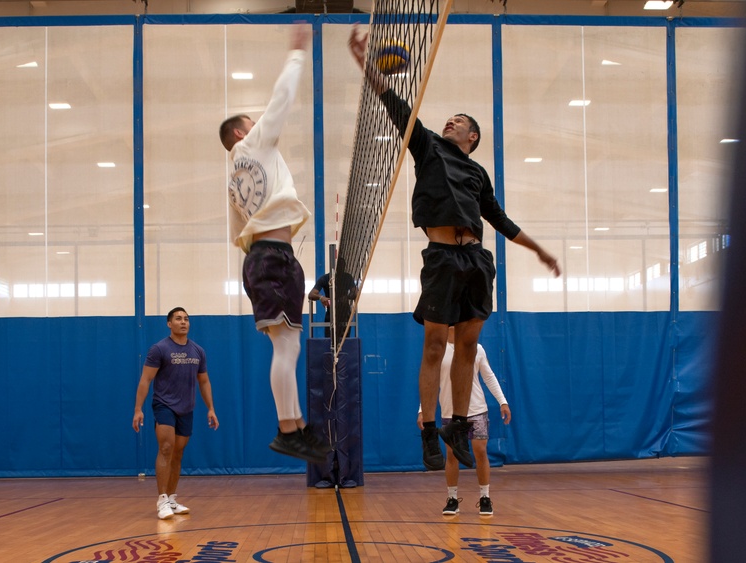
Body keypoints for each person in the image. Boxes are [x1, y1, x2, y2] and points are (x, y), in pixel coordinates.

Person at [348, 26, 560, 471]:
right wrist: (369, 65)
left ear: (473, 137)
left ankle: (457, 426)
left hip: (477, 260)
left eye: (460, 122)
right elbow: (397, 108)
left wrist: (538, 250)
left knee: (467, 347)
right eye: (450, 119)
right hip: (442, 256)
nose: (452, 122)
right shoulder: (429, 149)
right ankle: (429, 430)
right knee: (433, 345)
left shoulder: (479, 173)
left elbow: (498, 219)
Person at [218, 24, 330, 464]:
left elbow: (235, 233)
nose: (258, 124)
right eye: (252, 123)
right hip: (273, 257)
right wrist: (297, 51)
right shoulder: (254, 143)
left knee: (289, 346)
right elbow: (281, 99)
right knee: (287, 347)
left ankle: (296, 425)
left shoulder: (231, 177)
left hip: (263, 257)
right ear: (242, 133)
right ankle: (288, 429)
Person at [132, 307, 219, 520]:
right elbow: (145, 380)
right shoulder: (159, 349)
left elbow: (204, 381)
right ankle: (161, 499)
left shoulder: (198, 351)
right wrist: (138, 409)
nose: (183, 322)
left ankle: (171, 498)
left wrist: (211, 408)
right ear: (169, 324)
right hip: (164, 405)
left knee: (178, 453)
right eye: (178, 319)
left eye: (186, 319)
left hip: (186, 407)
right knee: (166, 447)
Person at [418, 327, 511, 516]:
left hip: (476, 409)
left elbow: (489, 376)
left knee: (480, 451)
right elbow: (431, 382)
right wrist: (422, 411)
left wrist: (503, 401)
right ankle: (452, 499)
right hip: (450, 412)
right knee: (451, 455)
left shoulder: (476, 348)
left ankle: (485, 497)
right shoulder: (439, 350)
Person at [308, 272, 332, 337]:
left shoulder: (347, 278)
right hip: (330, 315)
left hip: (345, 315)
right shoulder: (326, 278)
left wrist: (346, 297)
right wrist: (321, 297)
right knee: (329, 342)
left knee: (345, 343)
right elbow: (311, 294)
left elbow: (354, 293)